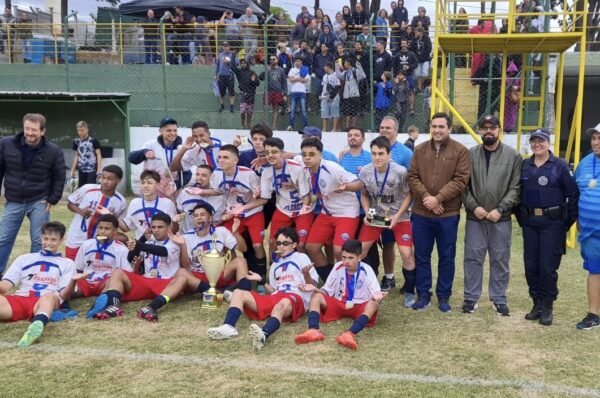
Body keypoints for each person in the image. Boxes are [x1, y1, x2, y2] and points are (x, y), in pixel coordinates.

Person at [136, 204, 259, 321]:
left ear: (210, 218)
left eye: (202, 214)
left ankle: (245, 297)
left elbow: (243, 249)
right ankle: (152, 306)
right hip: (199, 277)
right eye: (195, 215)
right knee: (182, 272)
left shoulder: (221, 231)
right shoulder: (187, 236)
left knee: (240, 260)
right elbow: (186, 265)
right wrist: (183, 245)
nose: (198, 218)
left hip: (220, 272)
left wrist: (235, 232)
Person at [207, 228, 318, 351]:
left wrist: (306, 275)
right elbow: (274, 291)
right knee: (238, 293)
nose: (281, 246)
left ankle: (263, 334)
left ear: (294, 245)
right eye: (278, 243)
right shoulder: (275, 264)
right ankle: (228, 327)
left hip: (296, 297)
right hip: (277, 296)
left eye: (285, 243)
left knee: (282, 304)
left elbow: (312, 286)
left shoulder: (301, 257)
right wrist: (262, 281)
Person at [407, 113, 470, 312]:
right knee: (422, 256)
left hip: (448, 214)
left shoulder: (460, 151)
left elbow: (461, 180)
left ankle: (444, 296)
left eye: (441, 126)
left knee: (446, 256)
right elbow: (413, 177)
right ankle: (423, 294)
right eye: (434, 126)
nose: (437, 130)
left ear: (449, 128)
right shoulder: (419, 150)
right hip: (422, 213)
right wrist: (428, 198)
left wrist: (438, 198)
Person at [516, 129, 579, 326]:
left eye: (541, 141)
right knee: (531, 266)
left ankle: (548, 306)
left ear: (548, 143)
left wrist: (565, 222)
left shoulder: (559, 166)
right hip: (530, 223)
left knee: (547, 267)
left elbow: (573, 195)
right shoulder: (525, 165)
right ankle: (536, 304)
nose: (537, 145)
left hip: (553, 224)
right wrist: (522, 219)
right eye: (534, 141)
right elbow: (517, 195)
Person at [461, 115, 523, 315]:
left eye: (492, 127)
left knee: (500, 258)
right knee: (472, 258)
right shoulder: (470, 155)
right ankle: (470, 298)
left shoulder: (513, 156)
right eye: (484, 127)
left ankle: (499, 298)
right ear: (479, 130)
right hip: (475, 217)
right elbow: (463, 186)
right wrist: (473, 206)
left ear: (499, 130)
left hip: (501, 218)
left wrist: (501, 209)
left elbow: (516, 187)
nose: (488, 131)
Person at [0, 113, 66, 276]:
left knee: (39, 240)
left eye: (34, 130)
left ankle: (35, 274)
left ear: (42, 131)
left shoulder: (53, 151)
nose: (29, 133)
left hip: (39, 200)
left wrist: (53, 198)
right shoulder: (6, 144)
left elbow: (59, 176)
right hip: (14, 199)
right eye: (27, 128)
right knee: (3, 238)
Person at [89, 213, 187, 320]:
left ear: (168, 227)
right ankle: (113, 306)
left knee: (182, 279)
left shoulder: (174, 243)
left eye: (160, 227)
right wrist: (135, 247)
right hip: (146, 280)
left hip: (165, 284)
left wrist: (139, 244)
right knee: (117, 272)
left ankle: (151, 307)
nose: (156, 230)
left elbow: (162, 251)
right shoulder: (148, 241)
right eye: (153, 227)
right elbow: (131, 258)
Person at [294, 239, 385, 350]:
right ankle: (313, 330)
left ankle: (349, 334)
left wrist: (377, 297)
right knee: (316, 296)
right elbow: (327, 291)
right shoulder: (338, 267)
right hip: (339, 304)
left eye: (351, 258)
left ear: (359, 257)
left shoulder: (367, 270)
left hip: (358, 306)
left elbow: (376, 293)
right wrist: (315, 289)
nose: (346, 261)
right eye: (344, 257)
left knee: (374, 304)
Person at [359, 136, 416, 307]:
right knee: (359, 252)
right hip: (377, 218)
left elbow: (409, 194)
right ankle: (360, 287)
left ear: (389, 155)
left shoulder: (400, 171)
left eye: (381, 154)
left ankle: (410, 291)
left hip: (399, 217)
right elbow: (364, 194)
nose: (377, 157)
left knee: (407, 254)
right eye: (374, 153)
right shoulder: (365, 172)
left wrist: (397, 216)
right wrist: (368, 212)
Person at [0, 222, 75, 347]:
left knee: (49, 296)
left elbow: (64, 295)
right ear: (41, 238)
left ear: (61, 240)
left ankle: (36, 326)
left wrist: (74, 281)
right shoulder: (24, 259)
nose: (49, 243)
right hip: (21, 298)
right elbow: (5, 286)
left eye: (53, 240)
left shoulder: (67, 263)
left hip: (44, 301)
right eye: (46, 238)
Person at [303, 137, 363, 281]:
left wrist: (346, 187)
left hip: (346, 212)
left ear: (320, 154)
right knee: (311, 247)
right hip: (327, 212)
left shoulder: (332, 168)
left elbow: (359, 184)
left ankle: (346, 281)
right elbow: (289, 156)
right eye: (304, 154)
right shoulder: (304, 166)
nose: (307, 158)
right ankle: (330, 281)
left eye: (311, 154)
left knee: (339, 250)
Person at [64, 165, 126, 260]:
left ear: (118, 180)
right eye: (103, 178)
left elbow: (120, 225)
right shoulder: (88, 189)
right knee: (73, 269)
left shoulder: (120, 201)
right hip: (77, 237)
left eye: (110, 179)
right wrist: (81, 212)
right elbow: (70, 203)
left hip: (98, 240)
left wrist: (110, 214)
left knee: (93, 268)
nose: (105, 181)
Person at [63, 215, 132, 300]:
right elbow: (78, 268)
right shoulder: (86, 244)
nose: (102, 231)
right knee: (66, 291)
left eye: (107, 229)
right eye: (100, 228)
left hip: (106, 281)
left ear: (115, 231)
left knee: (111, 286)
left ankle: (103, 300)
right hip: (87, 281)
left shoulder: (121, 249)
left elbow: (126, 274)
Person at [575, 124, 600, 330]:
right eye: (594, 138)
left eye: (599, 138)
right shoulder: (584, 164)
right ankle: (593, 314)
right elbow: (575, 193)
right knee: (594, 271)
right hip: (590, 232)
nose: (595, 142)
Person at [128, 117, 187, 197]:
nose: (172, 133)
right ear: (160, 131)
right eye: (168, 130)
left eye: (175, 130)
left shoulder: (181, 148)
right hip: (151, 188)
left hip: (170, 190)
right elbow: (132, 159)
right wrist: (144, 152)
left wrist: (176, 185)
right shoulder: (151, 144)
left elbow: (187, 173)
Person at [120, 170, 178, 239]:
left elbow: (173, 230)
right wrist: (112, 215)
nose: (145, 186)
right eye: (143, 183)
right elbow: (127, 228)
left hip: (162, 245)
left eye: (149, 183)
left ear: (158, 185)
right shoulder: (134, 203)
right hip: (142, 244)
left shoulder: (167, 203)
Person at [176, 165, 225, 231]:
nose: (199, 178)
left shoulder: (219, 199)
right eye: (197, 174)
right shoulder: (186, 192)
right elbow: (180, 212)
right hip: (186, 236)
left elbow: (216, 223)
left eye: (204, 175)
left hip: (208, 237)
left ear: (212, 178)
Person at [69, 121, 102, 188]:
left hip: (92, 168)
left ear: (87, 130)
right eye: (78, 130)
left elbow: (98, 155)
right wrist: (73, 170)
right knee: (81, 188)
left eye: (82, 130)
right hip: (81, 168)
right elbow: (76, 156)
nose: (80, 132)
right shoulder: (76, 141)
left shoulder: (93, 141)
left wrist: (99, 169)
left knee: (90, 187)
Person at [231, 58, 260, 129]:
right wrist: (233, 56)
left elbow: (258, 83)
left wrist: (253, 81)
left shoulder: (252, 72)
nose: (243, 64)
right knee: (243, 111)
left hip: (251, 94)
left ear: (247, 64)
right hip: (243, 94)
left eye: (244, 63)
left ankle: (248, 124)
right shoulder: (239, 72)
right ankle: (242, 125)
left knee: (249, 112)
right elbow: (232, 67)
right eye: (242, 63)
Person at [337, 58, 366, 130]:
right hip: (346, 95)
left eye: (345, 62)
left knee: (354, 112)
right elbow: (339, 76)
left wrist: (359, 67)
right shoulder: (345, 72)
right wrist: (336, 66)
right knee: (347, 112)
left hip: (354, 95)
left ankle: (353, 127)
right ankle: (347, 127)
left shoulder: (355, 71)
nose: (344, 64)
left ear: (349, 63)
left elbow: (363, 76)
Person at [259, 55, 288, 128]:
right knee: (265, 108)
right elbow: (261, 78)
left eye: (273, 59)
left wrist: (285, 94)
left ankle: (273, 126)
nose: (272, 60)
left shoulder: (281, 70)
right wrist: (266, 70)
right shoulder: (268, 69)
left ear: (277, 60)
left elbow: (284, 83)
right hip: (268, 91)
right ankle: (263, 125)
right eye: (270, 59)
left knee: (276, 108)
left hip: (277, 91)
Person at [393, 38, 417, 116]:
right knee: (397, 92)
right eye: (402, 43)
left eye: (404, 43)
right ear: (400, 45)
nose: (403, 45)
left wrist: (409, 67)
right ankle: (398, 109)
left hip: (409, 75)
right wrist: (395, 76)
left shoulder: (411, 54)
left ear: (407, 44)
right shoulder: (397, 54)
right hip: (399, 76)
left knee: (411, 91)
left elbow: (416, 64)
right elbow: (394, 66)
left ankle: (411, 109)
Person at [287, 57, 311, 131]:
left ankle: (306, 126)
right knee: (293, 109)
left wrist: (295, 79)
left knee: (303, 109)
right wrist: (300, 78)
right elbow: (290, 79)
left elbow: (306, 80)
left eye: (298, 61)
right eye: (296, 61)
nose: (296, 63)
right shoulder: (292, 70)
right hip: (294, 91)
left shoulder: (305, 69)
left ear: (301, 62)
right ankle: (291, 125)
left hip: (302, 92)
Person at [214, 42, 237, 113]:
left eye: (227, 46)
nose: (225, 47)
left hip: (230, 75)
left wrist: (229, 62)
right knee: (221, 92)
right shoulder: (220, 55)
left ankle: (231, 106)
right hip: (221, 76)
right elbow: (217, 65)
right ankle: (222, 106)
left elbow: (236, 64)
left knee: (231, 92)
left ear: (229, 47)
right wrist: (215, 74)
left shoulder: (232, 55)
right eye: (224, 46)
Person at [320, 62, 341, 132]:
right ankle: (324, 128)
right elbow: (323, 86)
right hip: (324, 96)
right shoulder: (324, 76)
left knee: (335, 112)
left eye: (325, 66)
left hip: (334, 97)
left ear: (329, 67)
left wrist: (331, 97)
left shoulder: (335, 75)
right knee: (324, 112)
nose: (324, 68)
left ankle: (334, 128)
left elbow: (338, 87)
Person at [411, 27, 432, 92]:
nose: (415, 33)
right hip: (417, 60)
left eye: (416, 32)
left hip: (425, 59)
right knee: (418, 74)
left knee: (425, 73)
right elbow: (412, 49)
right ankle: (419, 88)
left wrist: (423, 56)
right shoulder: (414, 39)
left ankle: (423, 86)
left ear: (421, 32)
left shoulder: (427, 39)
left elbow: (429, 48)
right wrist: (415, 57)